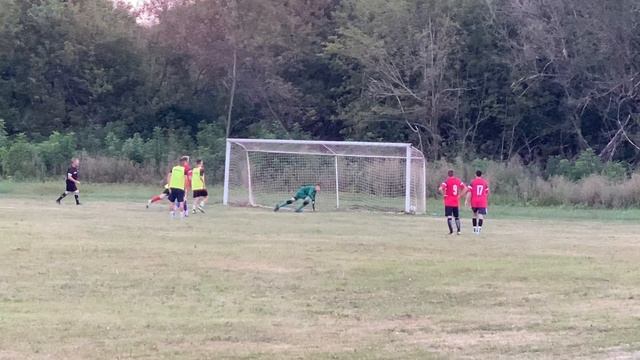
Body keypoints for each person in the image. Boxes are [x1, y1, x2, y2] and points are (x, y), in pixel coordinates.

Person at [438, 170, 467, 235]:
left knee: (449, 216)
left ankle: (451, 231)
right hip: (456, 201)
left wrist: (444, 195)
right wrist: (460, 195)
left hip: (448, 201)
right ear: (453, 174)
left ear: (448, 175)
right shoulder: (458, 181)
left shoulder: (446, 181)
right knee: (456, 216)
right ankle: (459, 231)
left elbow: (440, 189)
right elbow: (465, 188)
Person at [465, 170, 490, 235]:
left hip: (474, 201)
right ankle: (478, 230)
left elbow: (469, 192)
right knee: (481, 215)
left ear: (475, 175)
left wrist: (467, 201)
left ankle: (474, 229)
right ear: (481, 175)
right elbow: (487, 192)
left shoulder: (472, 182)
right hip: (482, 201)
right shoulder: (485, 182)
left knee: (474, 215)